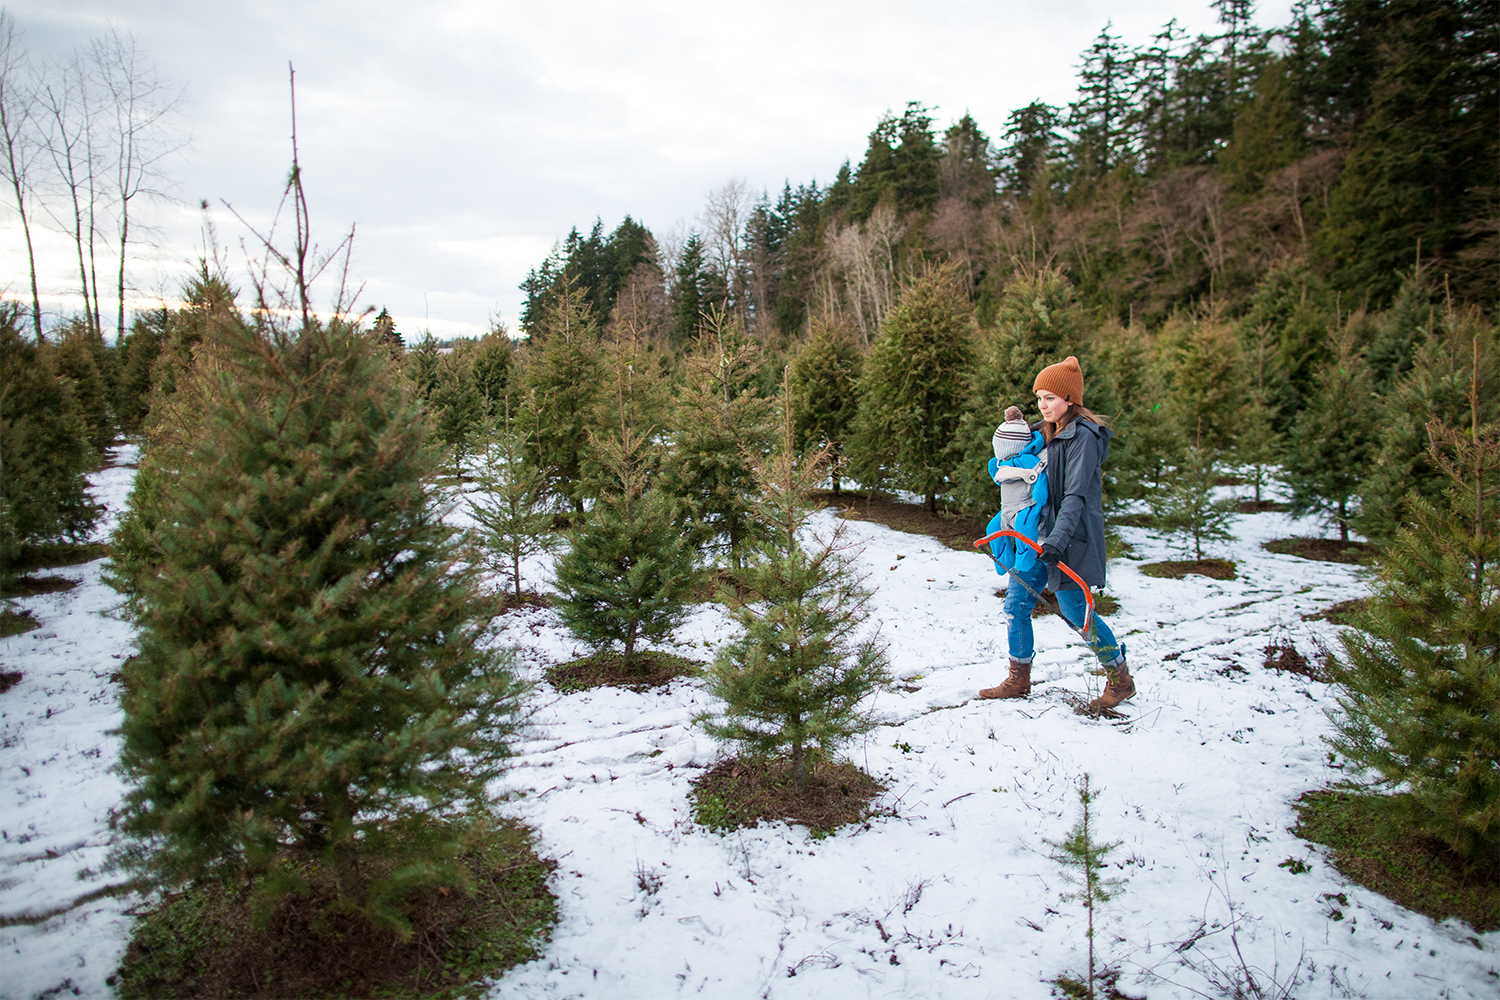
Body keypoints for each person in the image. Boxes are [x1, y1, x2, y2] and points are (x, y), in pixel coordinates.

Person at [978, 356, 1133, 712]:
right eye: (1039, 398)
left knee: (1076, 610)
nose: (1043, 405)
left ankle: (1120, 679)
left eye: (1050, 398)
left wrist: (1057, 542)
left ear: (1070, 399)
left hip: (1067, 538)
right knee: (1016, 604)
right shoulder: (1043, 433)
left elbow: (1076, 497)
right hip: (1036, 537)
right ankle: (1019, 679)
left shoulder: (1084, 438)